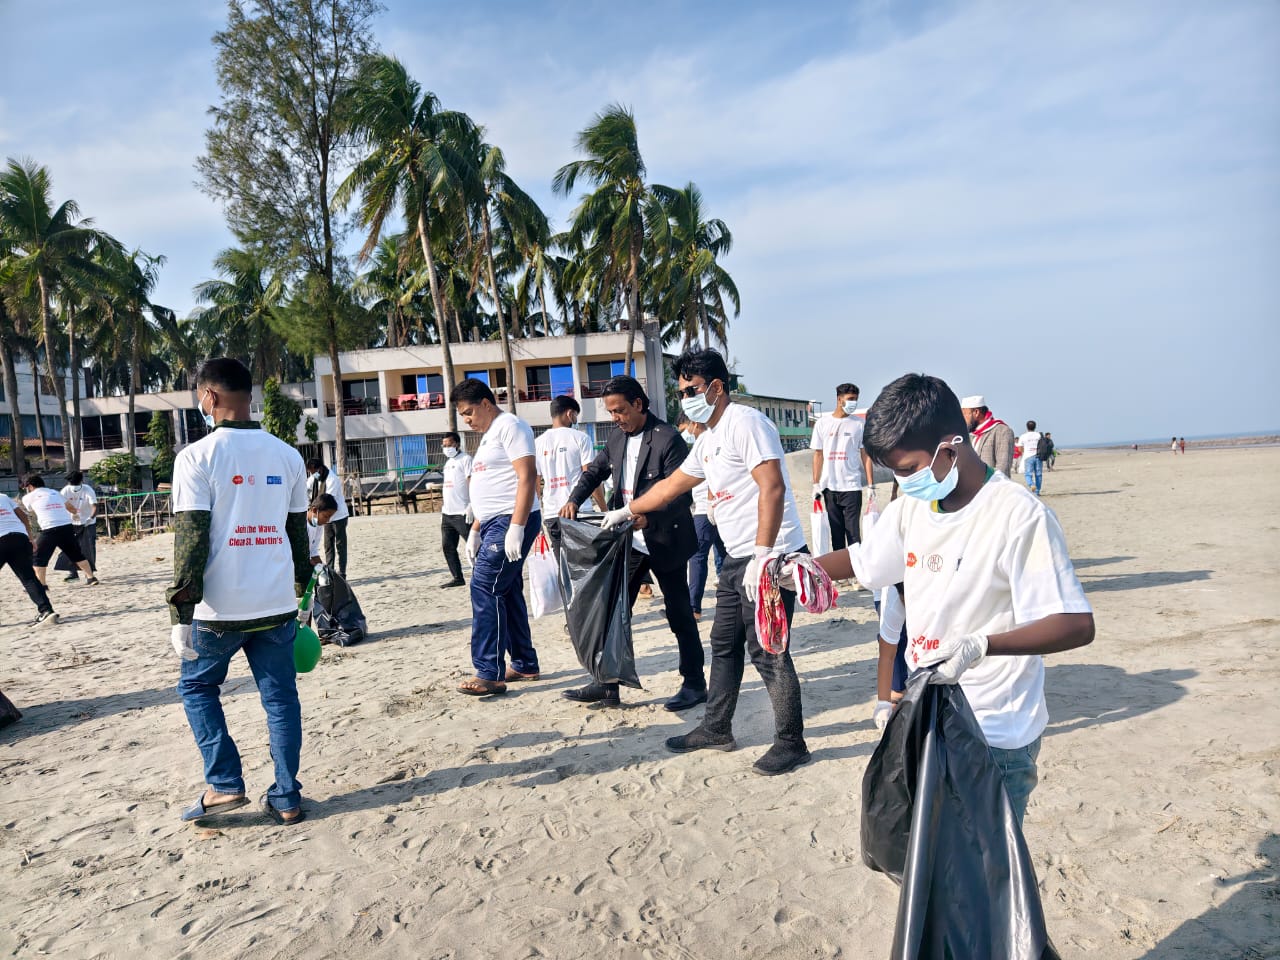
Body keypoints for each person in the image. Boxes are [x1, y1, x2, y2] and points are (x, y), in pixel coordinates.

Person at [805, 373, 1095, 823]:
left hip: (993, 731)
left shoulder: (1017, 515)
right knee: (927, 861)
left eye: (906, 469)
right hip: (929, 716)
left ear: (950, 447)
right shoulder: (912, 508)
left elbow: (1074, 624)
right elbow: (866, 561)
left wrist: (983, 645)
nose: (901, 482)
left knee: (984, 872)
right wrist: (800, 567)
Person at [602, 349, 811, 775]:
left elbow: (770, 487)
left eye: (691, 389)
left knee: (768, 650)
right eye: (680, 391)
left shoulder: (746, 422)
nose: (686, 398)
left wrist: (765, 554)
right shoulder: (709, 437)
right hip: (736, 560)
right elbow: (672, 486)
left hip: (769, 556)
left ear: (716, 387)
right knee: (724, 645)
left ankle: (791, 742)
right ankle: (717, 727)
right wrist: (626, 510)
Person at [168, 358, 313, 826]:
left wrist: (180, 614)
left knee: (196, 686)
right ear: (248, 396)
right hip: (275, 605)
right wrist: (301, 592)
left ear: (208, 397)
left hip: (218, 609)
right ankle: (287, 796)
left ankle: (225, 783)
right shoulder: (287, 455)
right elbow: (298, 536)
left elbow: (190, 538)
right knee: (280, 698)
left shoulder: (196, 457)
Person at [560, 375, 706, 711]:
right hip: (627, 541)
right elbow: (594, 472)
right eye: (611, 412)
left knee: (679, 613)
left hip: (664, 538)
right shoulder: (616, 438)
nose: (616, 418)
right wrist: (574, 499)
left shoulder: (668, 438)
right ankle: (607, 683)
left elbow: (680, 492)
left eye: (620, 410)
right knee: (611, 611)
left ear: (638, 404)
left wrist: (648, 517)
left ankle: (695, 683)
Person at [454, 378, 541, 696]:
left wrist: (517, 526)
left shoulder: (511, 426)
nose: (467, 420)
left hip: (510, 519)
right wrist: (476, 528)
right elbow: (491, 485)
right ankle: (524, 662)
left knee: (484, 586)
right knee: (506, 590)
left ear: (486, 404)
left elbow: (527, 475)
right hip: (493, 523)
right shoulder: (491, 435)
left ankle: (489, 672)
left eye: (468, 413)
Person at [810, 382, 875, 552]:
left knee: (853, 533)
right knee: (836, 532)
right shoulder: (822, 424)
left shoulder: (859, 425)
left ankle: (855, 568)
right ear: (839, 399)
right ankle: (840, 575)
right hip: (829, 487)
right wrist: (815, 484)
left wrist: (871, 484)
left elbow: (865, 455)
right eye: (850, 399)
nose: (853, 402)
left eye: (856, 399)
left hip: (852, 486)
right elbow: (818, 455)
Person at [678, 412, 726, 622]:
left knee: (697, 556)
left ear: (693, 423)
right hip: (715, 506)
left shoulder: (706, 441)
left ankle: (693, 608)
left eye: (684, 429)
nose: (684, 434)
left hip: (707, 509)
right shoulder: (706, 442)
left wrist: (709, 503)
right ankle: (728, 602)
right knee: (724, 554)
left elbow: (712, 477)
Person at [535, 395, 605, 531]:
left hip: (551, 514)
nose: (576, 420)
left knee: (560, 553)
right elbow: (591, 476)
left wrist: (536, 516)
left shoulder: (537, 443)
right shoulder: (581, 438)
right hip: (579, 512)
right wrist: (604, 509)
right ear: (570, 413)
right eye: (575, 415)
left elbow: (535, 485)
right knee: (585, 553)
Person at [21, 475, 97, 587]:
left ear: (30, 486)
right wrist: (75, 514)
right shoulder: (55, 493)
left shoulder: (28, 497)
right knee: (76, 554)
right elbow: (70, 508)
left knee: (38, 557)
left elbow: (31, 510)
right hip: (66, 526)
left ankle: (41, 584)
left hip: (49, 529)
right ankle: (91, 578)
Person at [0, 492, 58, 626]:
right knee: (29, 578)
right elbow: (23, 516)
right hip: (19, 537)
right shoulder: (3, 497)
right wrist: (31, 538)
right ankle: (46, 610)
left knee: (28, 577)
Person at [439, 431, 474, 588]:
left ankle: (481, 574)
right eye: (444, 445)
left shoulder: (465, 459)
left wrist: (472, 505)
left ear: (457, 444)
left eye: (449, 444)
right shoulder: (448, 463)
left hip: (462, 512)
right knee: (448, 546)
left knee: (473, 545)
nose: (446, 447)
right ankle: (457, 577)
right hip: (447, 513)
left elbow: (471, 481)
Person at [305, 458, 350, 576]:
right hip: (321, 515)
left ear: (319, 469)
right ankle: (330, 571)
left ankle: (342, 572)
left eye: (312, 472)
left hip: (337, 516)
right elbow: (305, 488)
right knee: (328, 545)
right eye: (310, 472)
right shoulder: (315, 478)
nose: (311, 474)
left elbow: (327, 501)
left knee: (340, 545)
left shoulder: (332, 479)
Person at [56, 471, 98, 581]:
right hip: (71, 522)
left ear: (81, 481)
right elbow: (60, 505)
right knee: (70, 547)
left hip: (88, 523)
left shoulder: (88, 489)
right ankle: (72, 573)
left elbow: (94, 506)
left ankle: (90, 572)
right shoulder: (65, 490)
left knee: (89, 546)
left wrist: (91, 518)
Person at [960, 396, 1015, 477]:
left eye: (964, 414)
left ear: (976, 412)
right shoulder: (971, 435)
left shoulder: (1002, 431)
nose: (963, 419)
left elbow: (1003, 467)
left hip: (992, 486)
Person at [307, 493, 339, 567]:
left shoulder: (318, 525)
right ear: (314, 510)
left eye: (330, 517)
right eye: (326, 516)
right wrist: (319, 570)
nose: (327, 520)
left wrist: (324, 569)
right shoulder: (302, 525)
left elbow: (313, 552)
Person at [1018, 420, 1044, 495]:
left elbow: (1020, 448)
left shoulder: (1023, 436)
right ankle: (1037, 491)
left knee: (1028, 474)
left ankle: (1031, 484)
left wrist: (1025, 451)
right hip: (1038, 456)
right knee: (1038, 474)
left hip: (1028, 456)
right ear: (1035, 427)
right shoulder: (1039, 435)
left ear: (1027, 427)